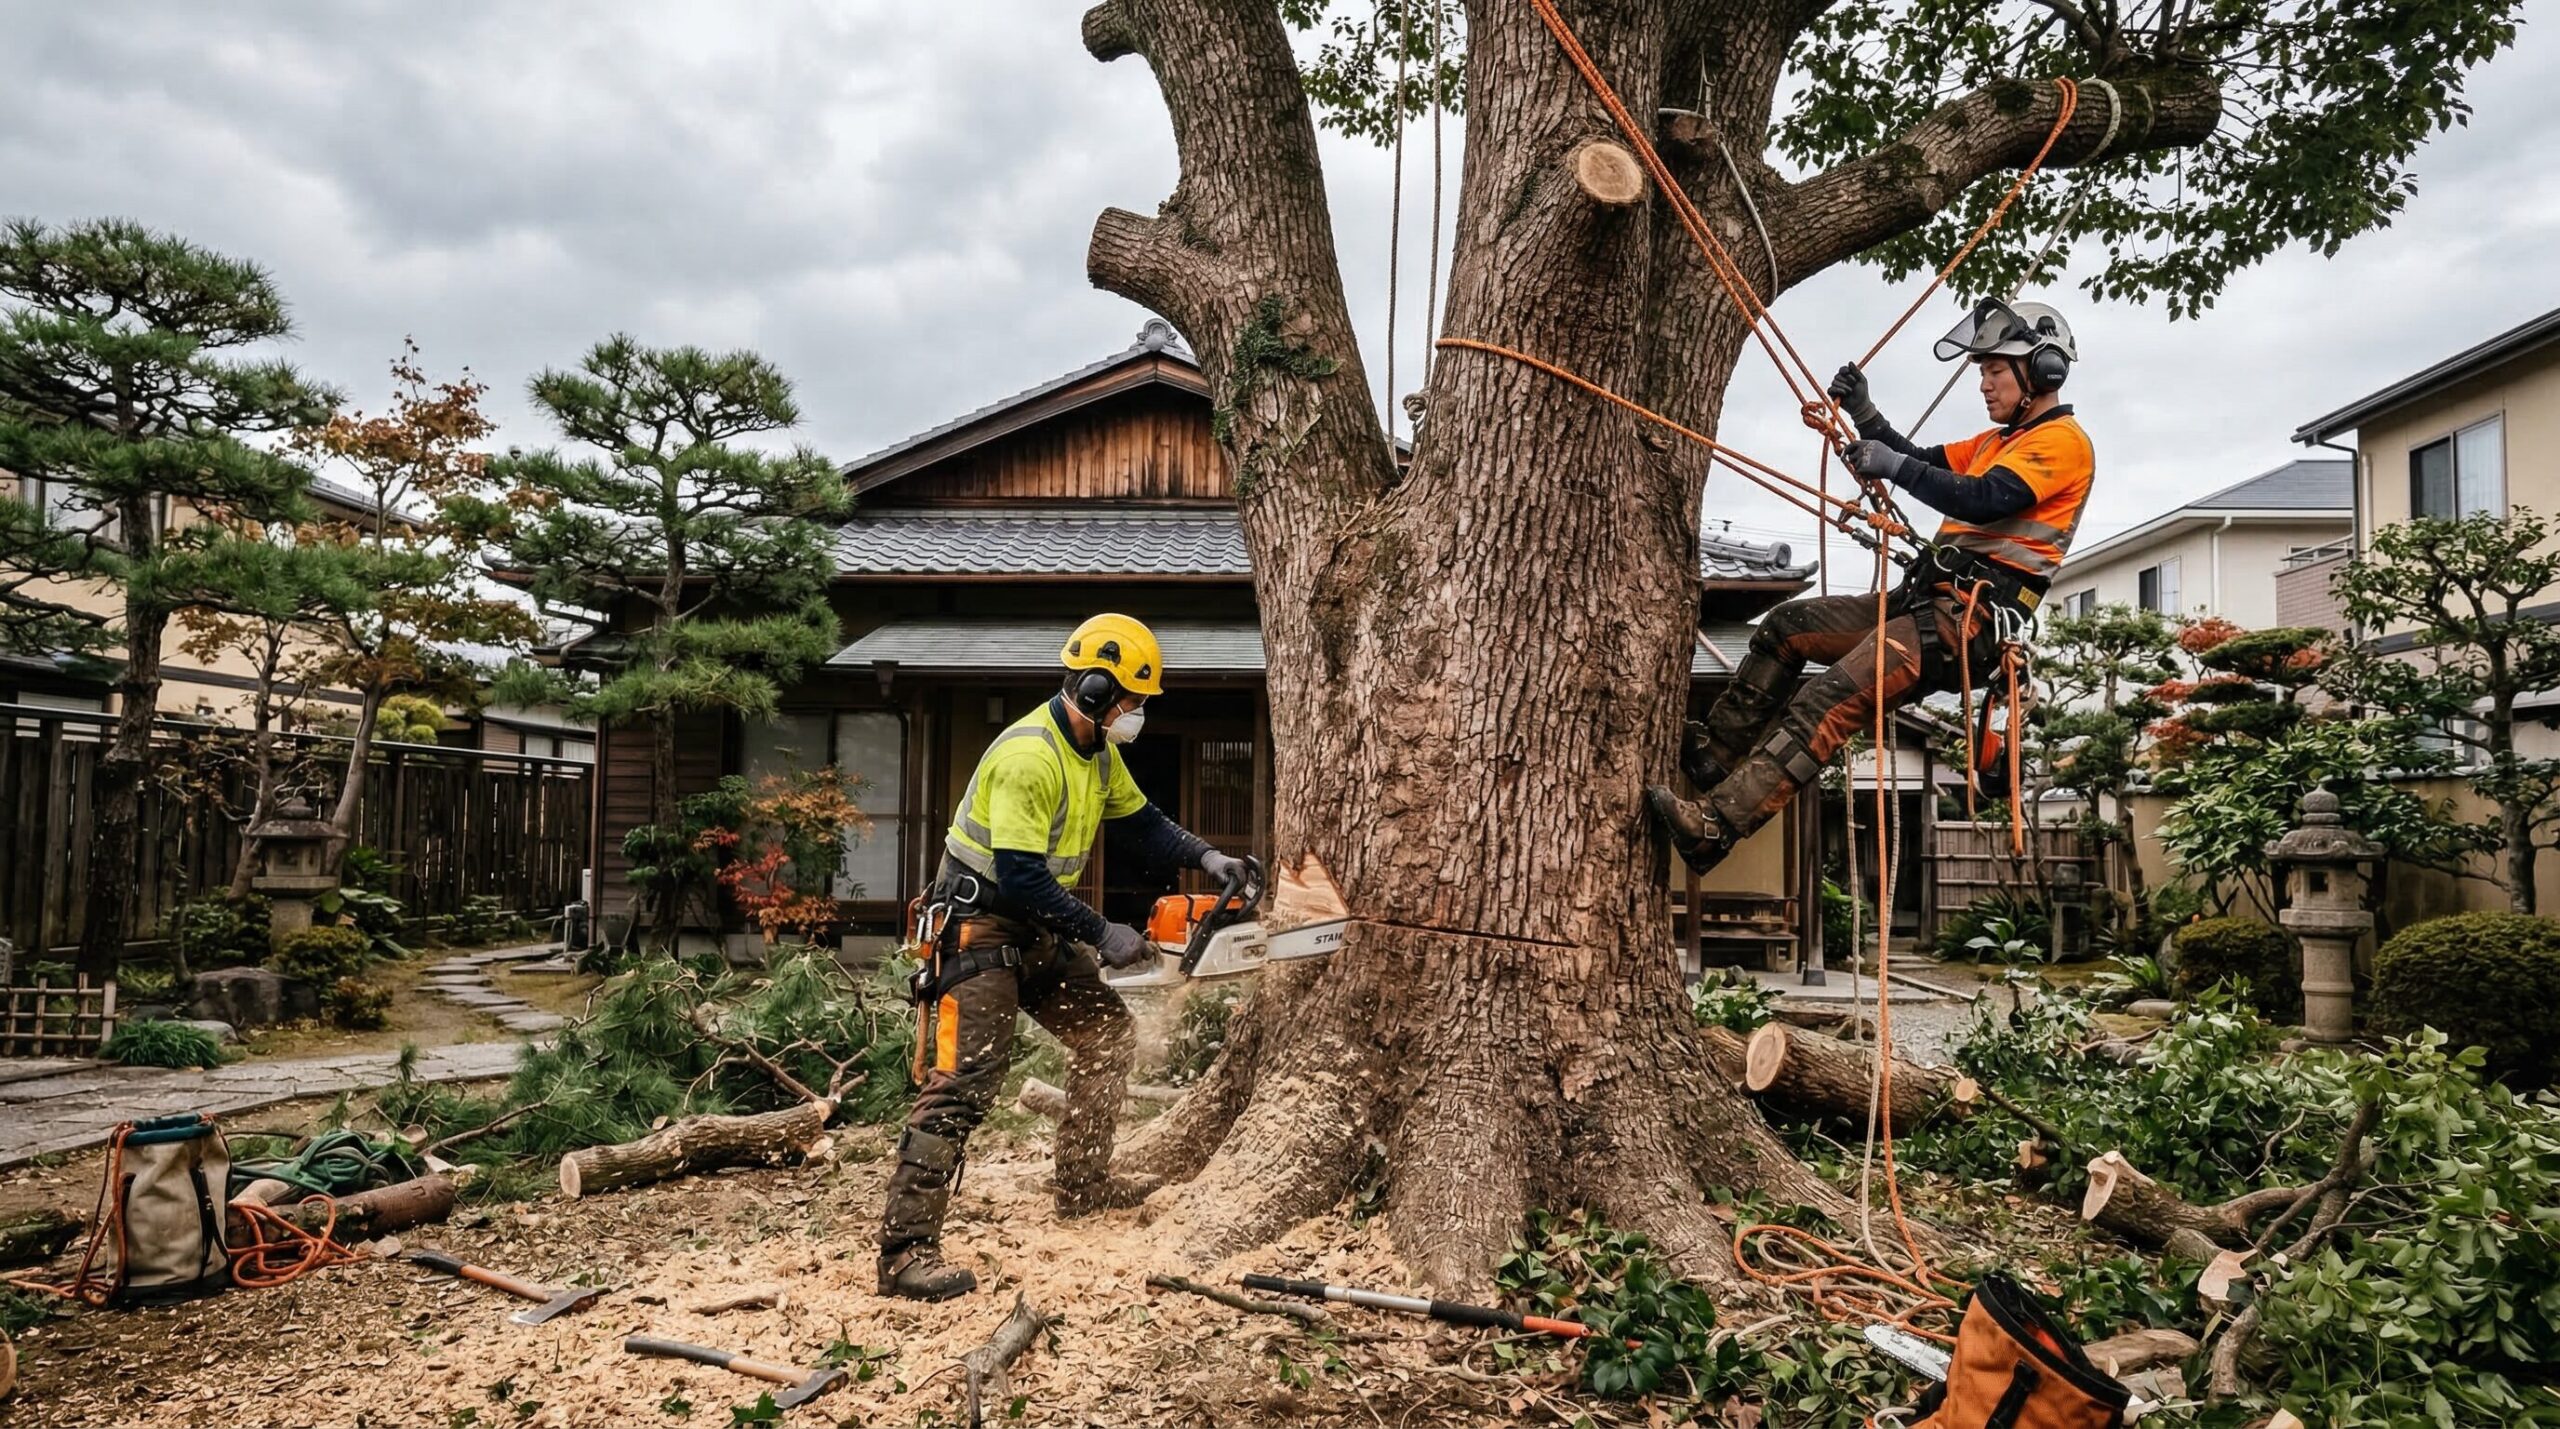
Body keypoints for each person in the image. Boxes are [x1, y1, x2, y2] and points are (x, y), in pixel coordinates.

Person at [1647, 298, 2095, 872]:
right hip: (1923, 604)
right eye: (1982, 372)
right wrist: (1866, 413)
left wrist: (1895, 466)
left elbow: (1985, 501)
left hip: (1965, 625)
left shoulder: (2062, 443)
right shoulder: (1993, 444)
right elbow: (1916, 459)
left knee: (1829, 697)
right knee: (1788, 628)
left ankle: (1716, 827)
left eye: (1994, 371)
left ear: (2043, 371)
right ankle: (1715, 754)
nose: (1984, 385)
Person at [877, 613, 1249, 1301]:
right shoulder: (1030, 756)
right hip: (981, 930)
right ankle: (904, 1253)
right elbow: (1019, 875)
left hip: (1038, 929)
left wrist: (1206, 856)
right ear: (1097, 690)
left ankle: (1082, 1187)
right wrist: (1102, 931)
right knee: (964, 1083)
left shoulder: (1098, 754)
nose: (1136, 714)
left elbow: (1142, 823)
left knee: (1107, 1035)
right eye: (1132, 702)